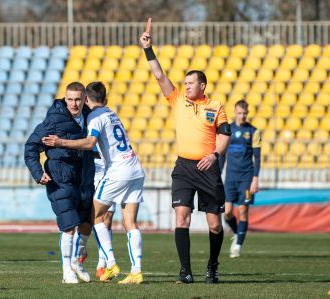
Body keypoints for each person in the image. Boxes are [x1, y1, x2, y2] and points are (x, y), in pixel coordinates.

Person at [140, 31, 231, 284]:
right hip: (184, 167)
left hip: (208, 167)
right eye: (186, 82)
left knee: (214, 224)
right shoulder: (177, 99)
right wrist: (148, 49)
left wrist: (215, 155)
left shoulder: (216, 106)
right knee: (181, 217)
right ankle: (186, 271)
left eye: (191, 82)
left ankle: (213, 265)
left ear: (202, 85)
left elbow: (225, 136)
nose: (187, 85)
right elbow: (159, 75)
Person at [42, 81, 145, 284]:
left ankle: (110, 262)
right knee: (130, 222)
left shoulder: (95, 117)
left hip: (118, 171)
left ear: (86, 100)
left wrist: (61, 142)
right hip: (135, 168)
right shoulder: (112, 113)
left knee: (94, 216)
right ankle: (136, 271)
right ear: (105, 99)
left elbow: (90, 143)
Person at [24, 82, 95, 284]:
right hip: (59, 179)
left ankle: (76, 262)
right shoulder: (54, 120)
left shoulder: (91, 118)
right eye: (70, 99)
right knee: (69, 226)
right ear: (65, 99)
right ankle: (67, 272)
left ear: (84, 100)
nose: (73, 104)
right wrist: (38, 173)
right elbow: (30, 147)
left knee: (86, 225)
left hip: (83, 179)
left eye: (78, 100)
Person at [220, 100, 261, 258]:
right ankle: (238, 233)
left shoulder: (253, 131)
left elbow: (257, 158)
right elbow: (222, 155)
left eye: (244, 113)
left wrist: (255, 179)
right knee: (227, 212)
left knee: (243, 211)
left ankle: (237, 245)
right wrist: (218, 174)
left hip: (246, 177)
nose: (242, 116)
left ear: (247, 113)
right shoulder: (228, 130)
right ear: (235, 113)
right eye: (239, 113)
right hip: (230, 178)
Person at [91, 147, 116, 279]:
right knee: (92, 218)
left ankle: (102, 264)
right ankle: (78, 253)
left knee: (107, 219)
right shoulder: (87, 125)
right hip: (93, 166)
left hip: (110, 166)